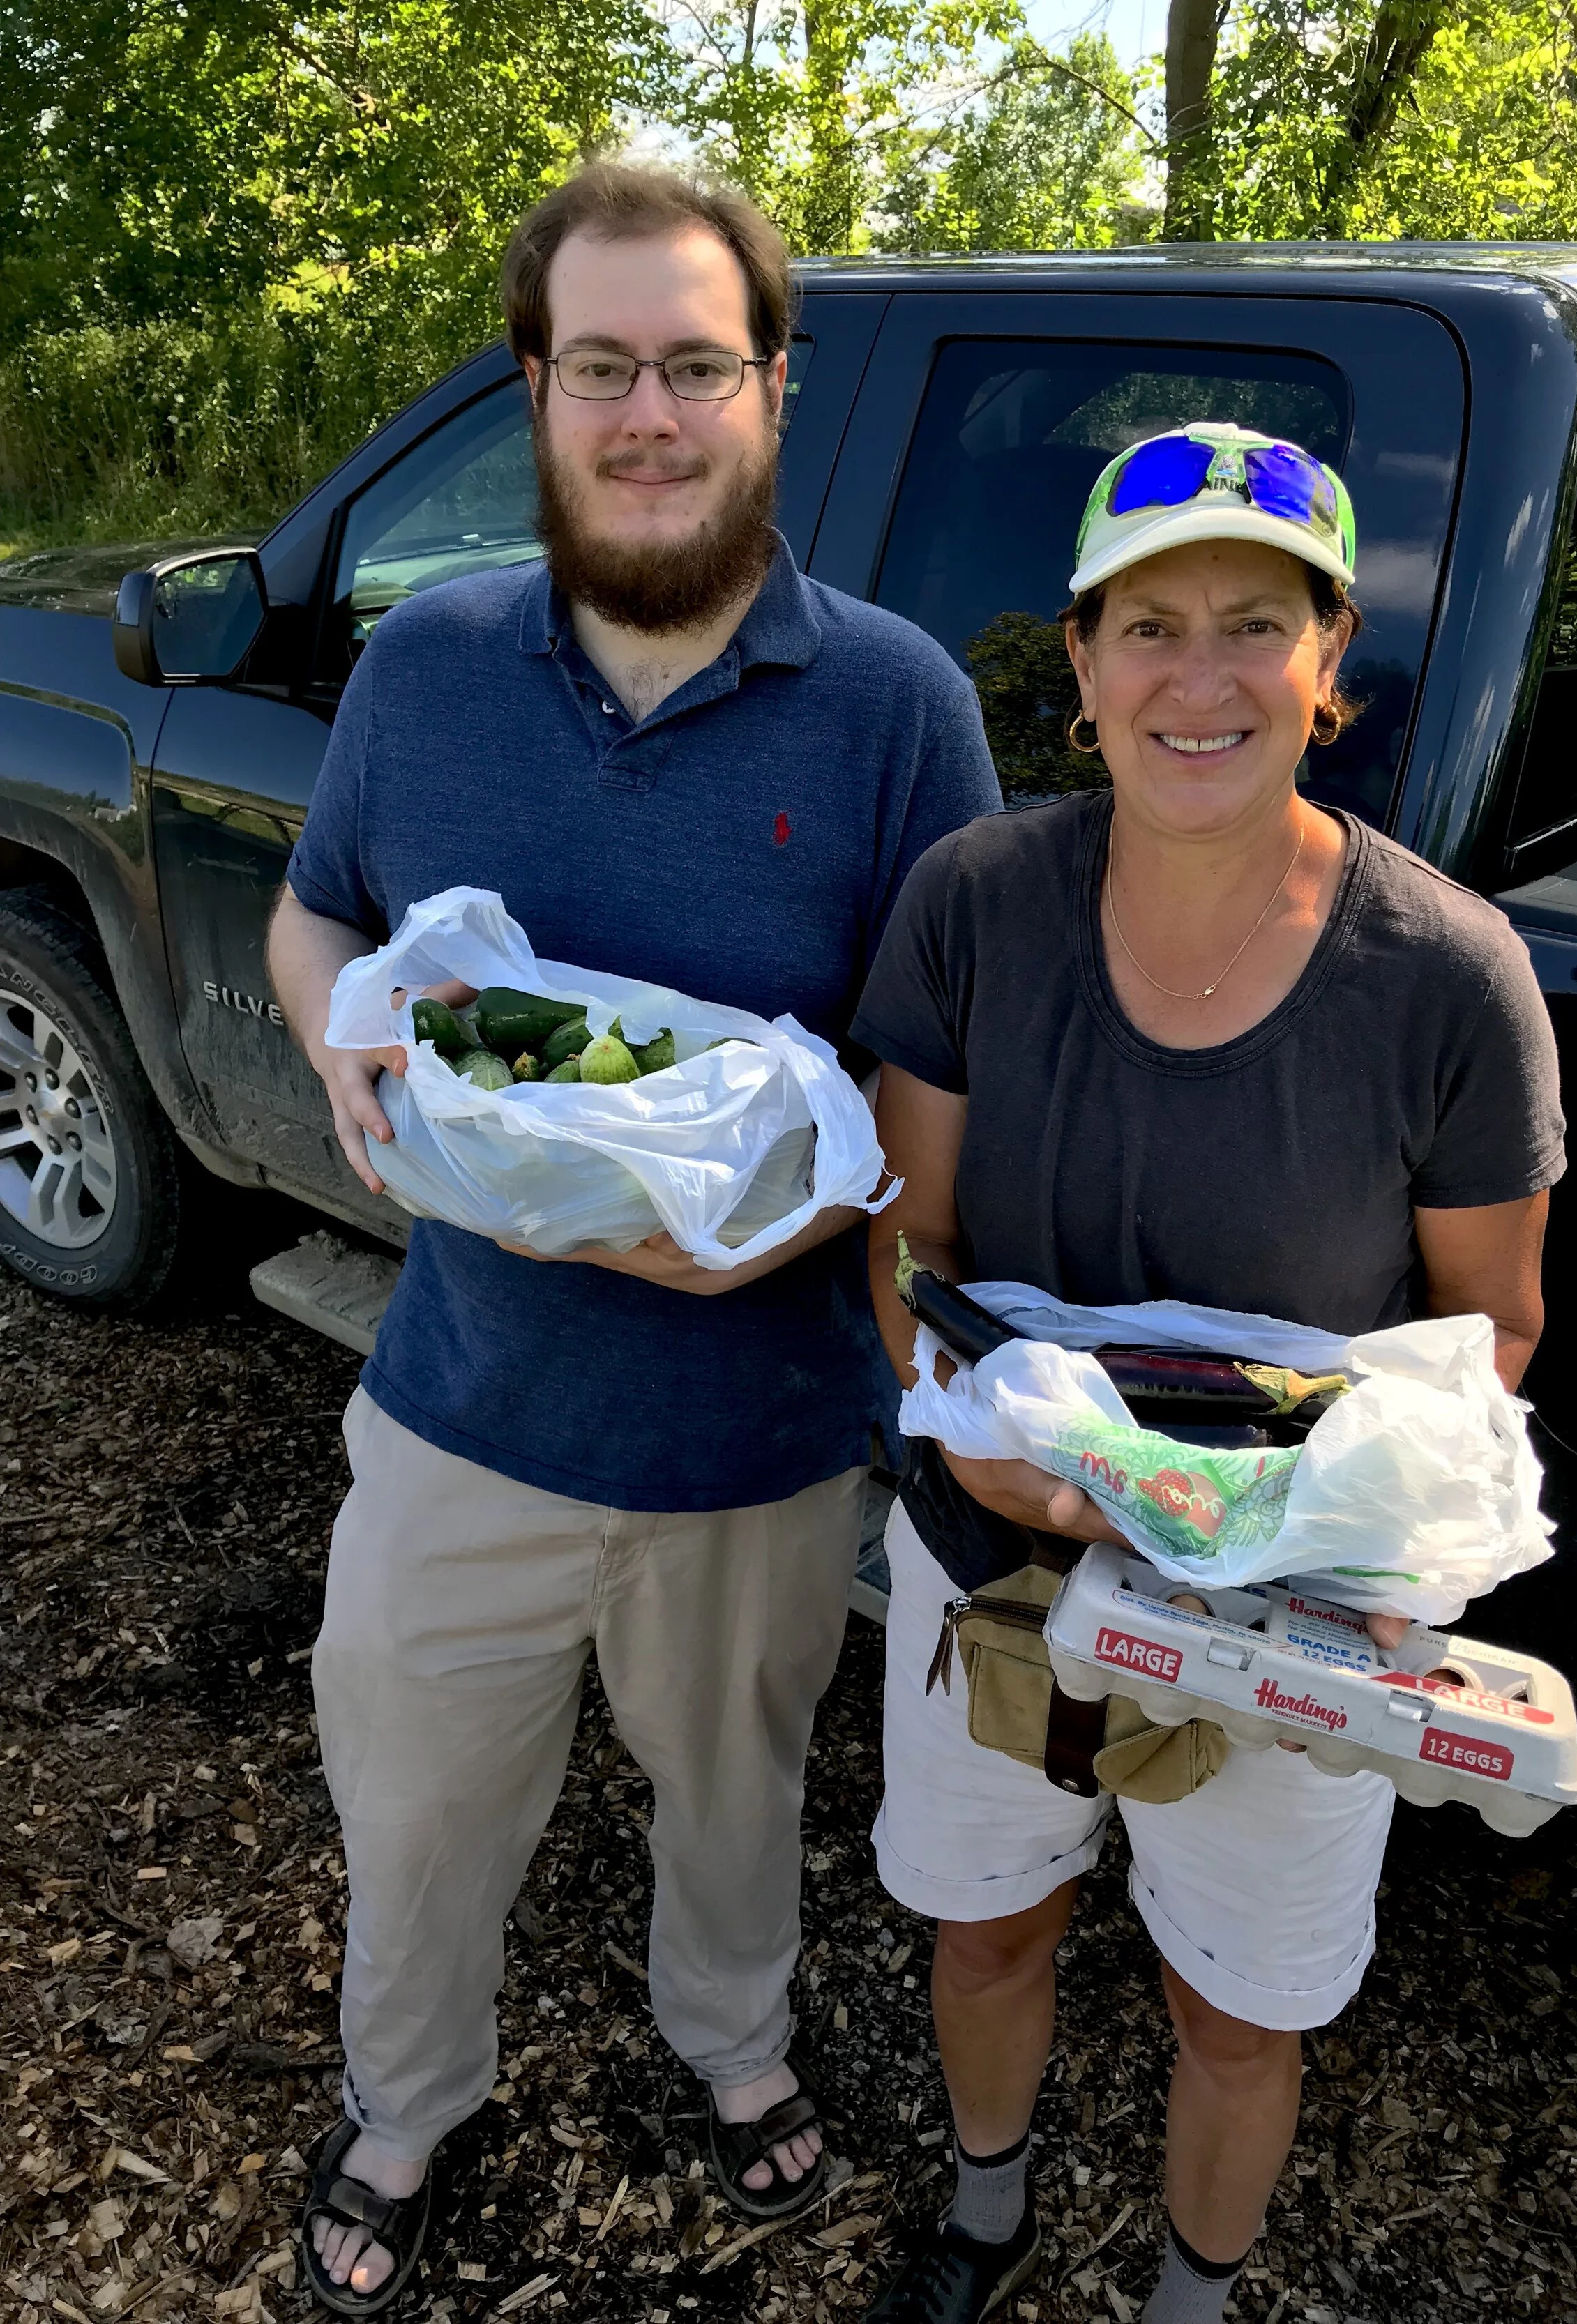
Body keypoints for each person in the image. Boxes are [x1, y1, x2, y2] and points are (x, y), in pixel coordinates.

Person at [267, 160, 1001, 2314]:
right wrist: (339, 1043)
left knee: (735, 1790)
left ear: (772, 391)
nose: (648, 414)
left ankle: (736, 2040)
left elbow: (931, 1067)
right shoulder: (429, 661)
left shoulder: (891, 707)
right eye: (604, 368)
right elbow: (322, 909)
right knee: (408, 1798)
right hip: (463, 1401)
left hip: (759, 1425)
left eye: (696, 366)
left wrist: (811, 1203)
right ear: (538, 390)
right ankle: (405, 2096)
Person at [850, 423, 1566, 2324]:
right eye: (1146, 624)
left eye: (1256, 622)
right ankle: (983, 2214)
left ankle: (1190, 2293)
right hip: (989, 1550)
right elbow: (904, 1242)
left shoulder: (1446, 975)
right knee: (987, 1925)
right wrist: (990, 1450)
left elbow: (1489, 1324)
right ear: (1076, 669)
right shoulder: (971, 904)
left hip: (1287, 1610)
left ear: (1328, 668)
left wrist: (1293, 1514)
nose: (1199, 675)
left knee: (1239, 2007)